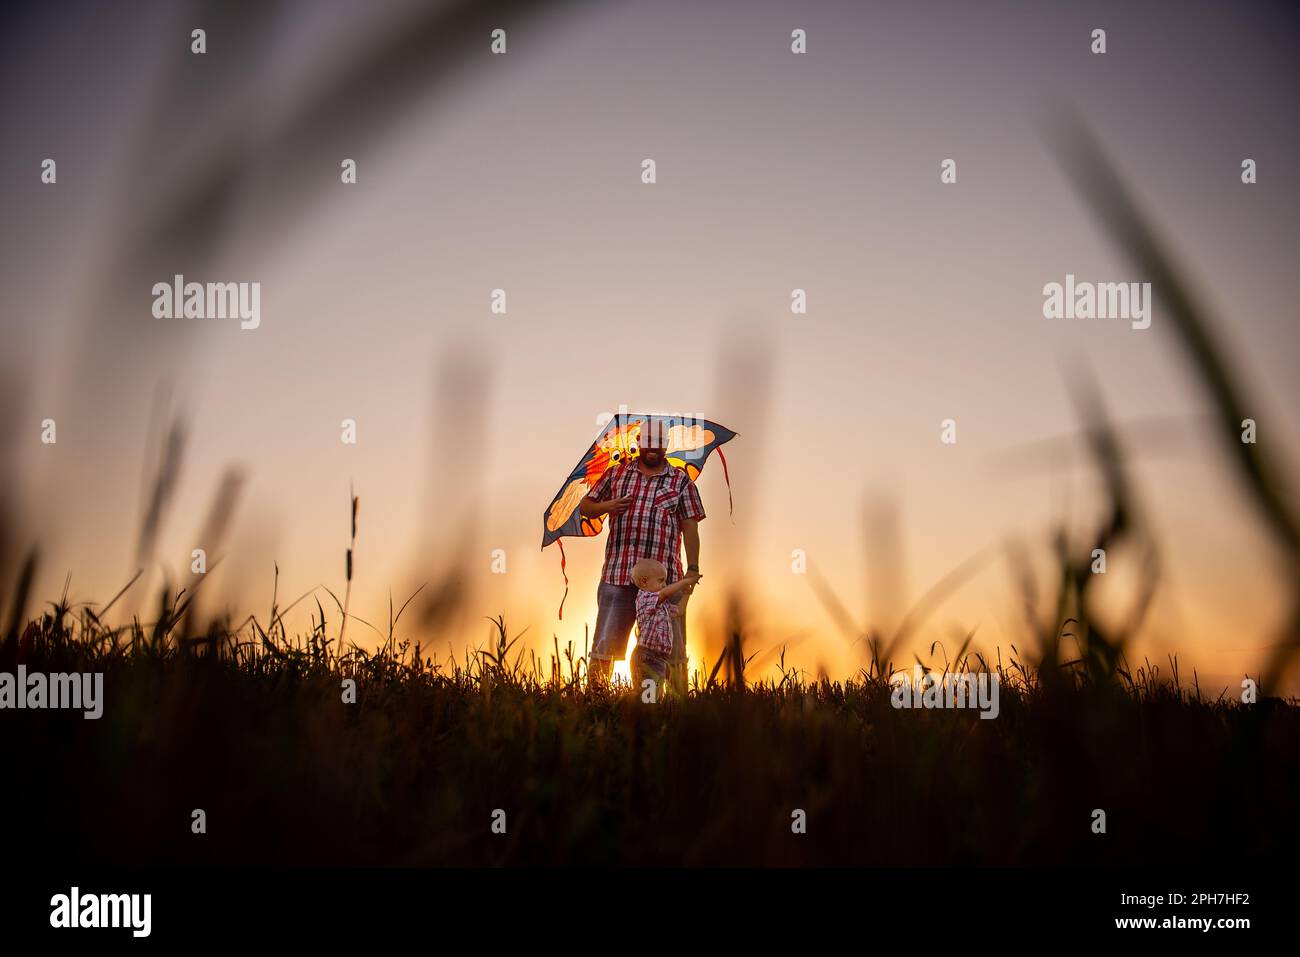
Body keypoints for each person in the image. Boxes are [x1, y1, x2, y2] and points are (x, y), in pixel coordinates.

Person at [579, 422, 705, 692]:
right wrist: (608, 506)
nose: (653, 447)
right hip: (618, 575)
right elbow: (585, 507)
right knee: (606, 645)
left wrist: (692, 569)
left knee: (673, 648)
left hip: (665, 580)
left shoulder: (681, 481)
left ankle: (677, 707)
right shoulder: (617, 474)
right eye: (648, 441)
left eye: (659, 441)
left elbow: (690, 527)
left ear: (665, 445)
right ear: (639, 441)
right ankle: (595, 700)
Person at [628, 558, 700, 695]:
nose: (664, 585)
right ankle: (640, 713)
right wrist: (684, 582)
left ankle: (649, 713)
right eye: (661, 581)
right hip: (646, 657)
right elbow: (664, 593)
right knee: (648, 697)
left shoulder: (662, 605)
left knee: (656, 695)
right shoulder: (644, 598)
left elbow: (679, 611)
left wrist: (687, 594)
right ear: (644, 582)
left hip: (659, 658)